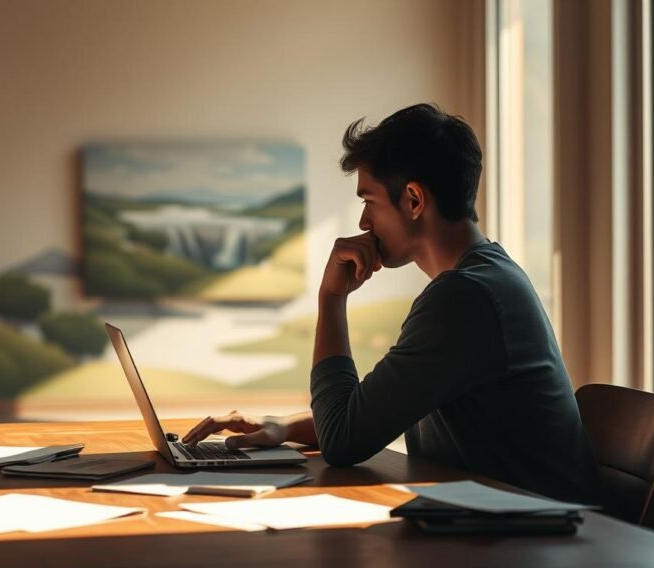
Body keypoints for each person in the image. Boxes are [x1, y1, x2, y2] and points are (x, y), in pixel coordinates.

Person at [182, 103, 601, 505]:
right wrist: (282, 427)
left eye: (369, 201)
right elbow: (376, 410)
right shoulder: (486, 278)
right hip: (502, 534)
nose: (364, 222)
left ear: (414, 201)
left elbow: (344, 440)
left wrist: (331, 298)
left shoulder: (464, 297)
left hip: (533, 552)